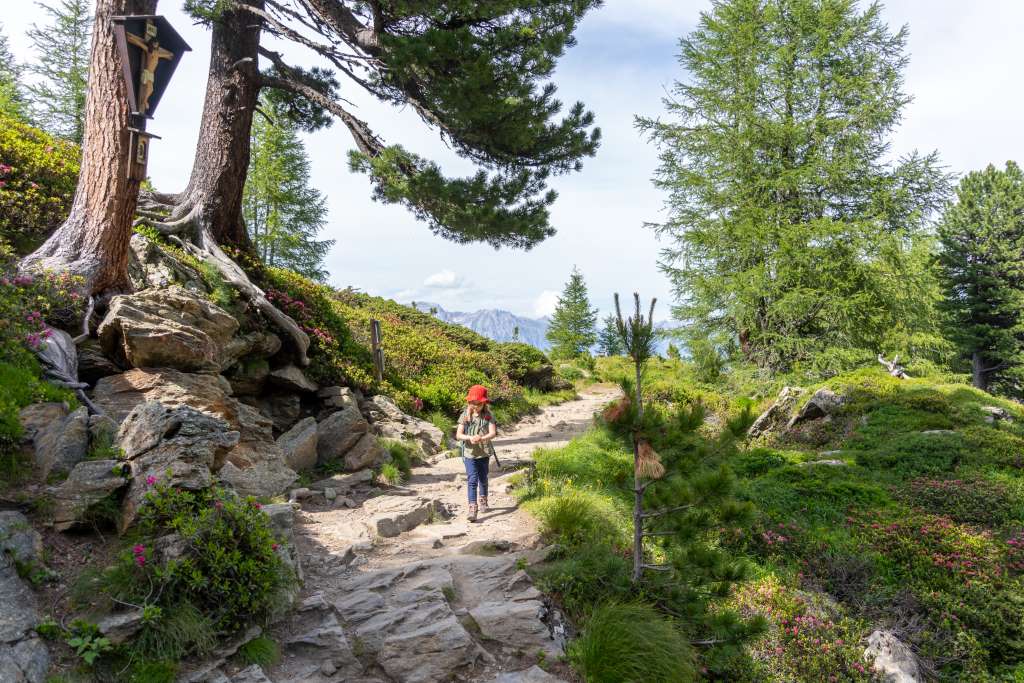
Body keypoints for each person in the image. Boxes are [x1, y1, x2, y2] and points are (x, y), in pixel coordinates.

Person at [456, 384, 497, 522]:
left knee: (483, 478)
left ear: (484, 402)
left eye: (478, 404)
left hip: (483, 453)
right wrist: (469, 438)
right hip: (469, 454)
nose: (475, 406)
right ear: (469, 402)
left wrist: (481, 438)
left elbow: (493, 433)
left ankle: (483, 499)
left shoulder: (488, 416)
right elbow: (458, 435)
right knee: (472, 480)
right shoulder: (465, 416)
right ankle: (473, 508)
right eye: (472, 403)